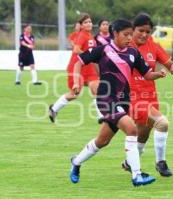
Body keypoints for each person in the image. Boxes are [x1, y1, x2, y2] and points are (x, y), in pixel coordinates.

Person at [69, 19, 167, 186]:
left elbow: (147, 74)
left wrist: (159, 74)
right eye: (126, 34)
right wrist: (77, 82)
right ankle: (136, 175)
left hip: (123, 102)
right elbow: (79, 62)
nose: (129, 38)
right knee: (131, 128)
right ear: (115, 34)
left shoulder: (133, 53)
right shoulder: (103, 50)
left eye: (131, 34)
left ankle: (76, 162)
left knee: (102, 141)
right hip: (106, 99)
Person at [121, 14, 173, 177]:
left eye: (148, 31)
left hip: (150, 96)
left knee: (143, 135)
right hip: (133, 98)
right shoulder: (125, 46)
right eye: (141, 31)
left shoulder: (153, 46)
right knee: (162, 123)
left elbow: (168, 63)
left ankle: (129, 162)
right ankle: (161, 162)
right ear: (133, 30)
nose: (144, 35)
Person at [49, 13, 101, 123]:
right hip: (77, 67)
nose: (89, 24)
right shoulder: (82, 35)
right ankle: (53, 109)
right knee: (74, 94)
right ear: (81, 25)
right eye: (85, 22)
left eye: (90, 22)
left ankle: (101, 116)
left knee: (97, 89)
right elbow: (76, 50)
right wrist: (89, 56)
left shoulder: (89, 35)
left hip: (89, 68)